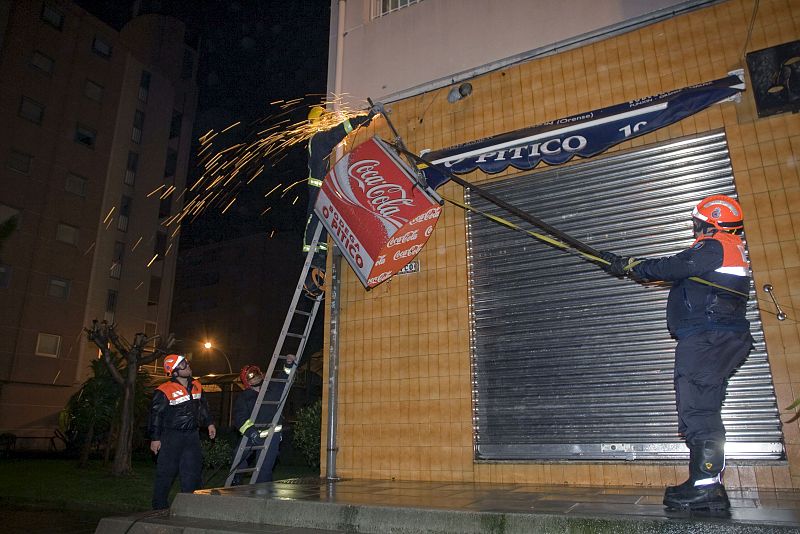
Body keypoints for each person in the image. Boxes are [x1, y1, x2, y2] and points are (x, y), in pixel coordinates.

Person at [599, 194, 752, 512]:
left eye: (697, 221)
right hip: (718, 337)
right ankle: (706, 484)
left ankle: (706, 488)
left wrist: (632, 266)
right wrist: (632, 268)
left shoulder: (714, 245)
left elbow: (675, 266)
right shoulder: (727, 248)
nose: (694, 227)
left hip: (707, 338)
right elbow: (680, 271)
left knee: (697, 408)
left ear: (711, 222)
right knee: (703, 406)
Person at [302, 103, 383, 297]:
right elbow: (341, 130)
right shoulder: (320, 139)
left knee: (317, 223)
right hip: (319, 189)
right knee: (316, 223)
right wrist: (365, 118)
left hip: (321, 188)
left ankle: (316, 267)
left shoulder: (316, 141)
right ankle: (314, 265)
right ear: (319, 121)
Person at [148, 354, 216, 510]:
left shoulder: (197, 385)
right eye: (184, 364)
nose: (188, 366)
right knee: (166, 472)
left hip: (192, 436)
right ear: (175, 371)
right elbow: (156, 416)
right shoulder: (164, 390)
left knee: (192, 471)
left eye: (187, 363)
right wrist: (155, 438)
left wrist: (210, 423)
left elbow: (203, 408)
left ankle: (190, 506)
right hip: (171, 436)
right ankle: (159, 507)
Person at [231, 354, 297, 484]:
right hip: (252, 435)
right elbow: (240, 418)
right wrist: (251, 432)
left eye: (256, 373)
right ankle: (235, 483)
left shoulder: (273, 387)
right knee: (237, 458)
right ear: (247, 382)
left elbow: (285, 376)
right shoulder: (244, 397)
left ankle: (264, 495)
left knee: (264, 470)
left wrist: (288, 363)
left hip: (272, 436)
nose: (255, 377)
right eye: (251, 376)